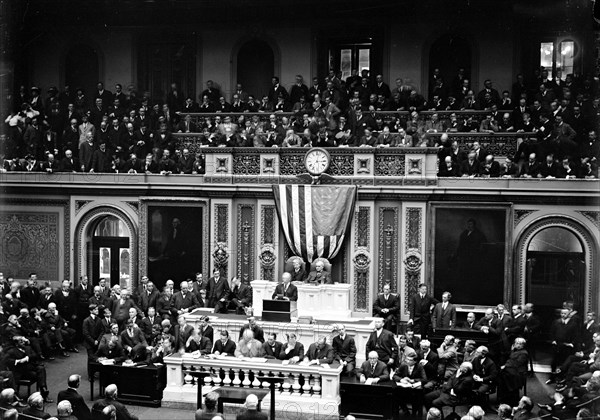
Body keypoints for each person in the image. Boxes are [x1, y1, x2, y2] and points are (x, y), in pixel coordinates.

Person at [497, 337, 529, 406]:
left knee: (504, 376)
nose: (518, 345)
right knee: (501, 376)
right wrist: (511, 351)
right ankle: (503, 399)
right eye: (517, 343)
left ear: (523, 345)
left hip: (519, 372)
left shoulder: (524, 353)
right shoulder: (515, 351)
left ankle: (508, 400)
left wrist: (505, 366)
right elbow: (511, 359)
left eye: (520, 344)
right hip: (512, 370)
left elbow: (517, 363)